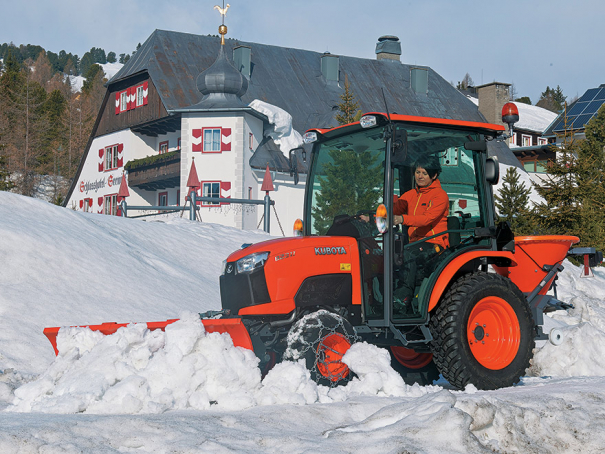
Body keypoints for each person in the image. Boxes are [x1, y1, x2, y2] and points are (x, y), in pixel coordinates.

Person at [393, 155, 449, 310]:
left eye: (424, 173)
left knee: (407, 253)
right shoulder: (411, 195)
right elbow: (395, 208)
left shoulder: (440, 196)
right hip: (415, 243)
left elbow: (426, 219)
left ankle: (402, 297)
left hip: (434, 244)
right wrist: (373, 214)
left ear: (434, 175)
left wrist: (401, 219)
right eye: (418, 172)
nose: (420, 176)